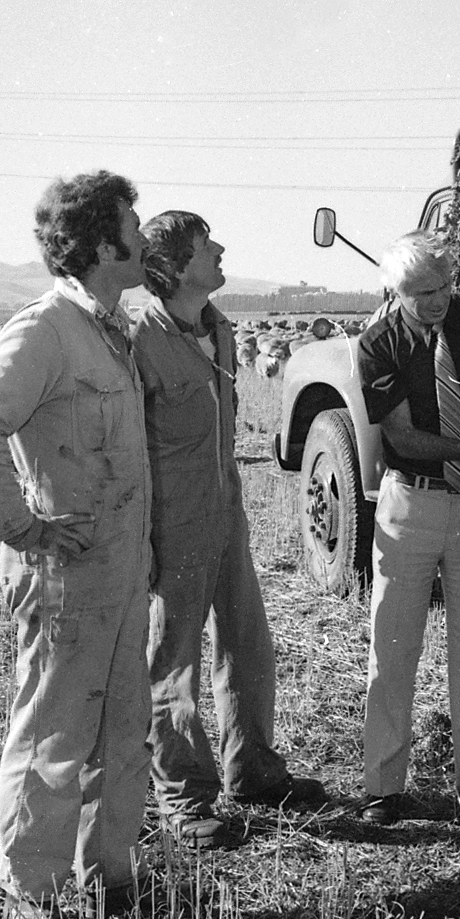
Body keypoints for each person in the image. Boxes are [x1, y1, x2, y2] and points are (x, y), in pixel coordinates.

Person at [0, 171, 154, 919]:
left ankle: (108, 876)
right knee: (53, 735)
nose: (144, 234)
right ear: (102, 243)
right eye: (133, 222)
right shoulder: (46, 331)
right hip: (67, 578)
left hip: (119, 572)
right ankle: (31, 894)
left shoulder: (108, 328)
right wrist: (21, 528)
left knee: (121, 728)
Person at [131, 210, 328, 849]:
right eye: (205, 245)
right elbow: (129, 449)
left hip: (226, 515)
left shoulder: (217, 328)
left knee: (247, 646)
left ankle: (253, 771)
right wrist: (142, 537)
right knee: (174, 664)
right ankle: (184, 800)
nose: (219, 250)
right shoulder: (140, 341)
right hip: (172, 525)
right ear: (172, 267)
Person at [355, 230, 460, 826]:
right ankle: (383, 789)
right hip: (413, 504)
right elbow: (402, 436)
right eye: (422, 293)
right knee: (393, 645)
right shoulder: (378, 343)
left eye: (445, 286)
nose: (437, 300)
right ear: (395, 292)